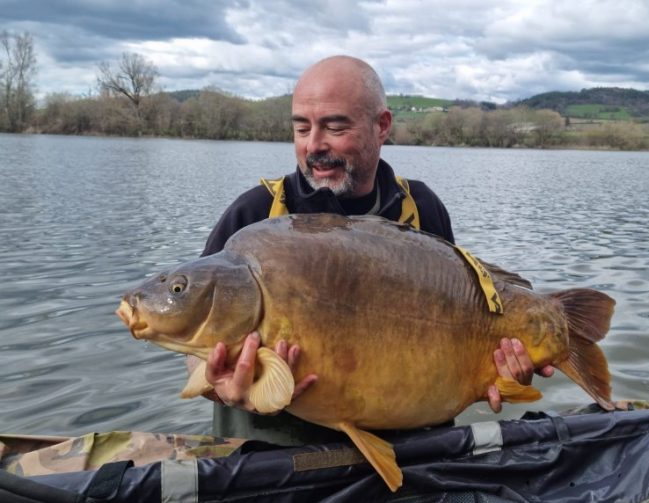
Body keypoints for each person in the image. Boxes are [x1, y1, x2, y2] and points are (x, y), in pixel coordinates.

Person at [188, 55, 553, 444]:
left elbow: (466, 319)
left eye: (334, 126)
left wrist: (498, 370)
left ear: (382, 126)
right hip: (271, 457)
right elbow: (195, 345)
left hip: (407, 449)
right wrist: (216, 383)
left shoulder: (422, 209)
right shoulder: (254, 213)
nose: (314, 146)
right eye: (301, 128)